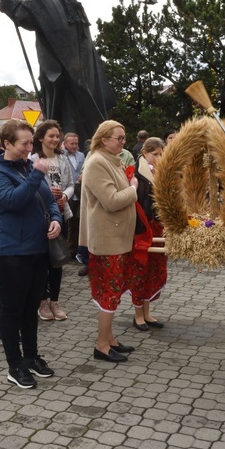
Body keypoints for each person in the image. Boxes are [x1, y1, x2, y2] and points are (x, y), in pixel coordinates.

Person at [0, 0, 115, 146]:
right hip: (84, 86)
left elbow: (24, 13)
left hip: (66, 84)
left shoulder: (52, 3)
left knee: (67, 129)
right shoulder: (73, 5)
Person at [0, 119, 61, 388]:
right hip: (9, 253)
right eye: (25, 143)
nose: (30, 148)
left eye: (32, 142)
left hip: (36, 250)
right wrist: (37, 175)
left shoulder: (30, 167)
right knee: (12, 310)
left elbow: (49, 200)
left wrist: (55, 219)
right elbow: (15, 201)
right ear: (7, 144)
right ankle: (14, 365)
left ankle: (31, 356)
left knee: (31, 308)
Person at [80, 120, 138, 363]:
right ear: (104, 139)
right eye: (119, 138)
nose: (123, 142)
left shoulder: (109, 160)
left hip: (116, 238)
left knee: (113, 291)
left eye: (124, 138)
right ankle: (102, 345)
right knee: (109, 292)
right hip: (107, 241)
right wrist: (134, 188)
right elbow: (112, 201)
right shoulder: (96, 163)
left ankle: (110, 338)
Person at [30, 120, 73, 321]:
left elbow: (71, 184)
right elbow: (30, 186)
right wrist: (47, 193)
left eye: (57, 136)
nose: (55, 140)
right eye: (51, 136)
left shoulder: (63, 159)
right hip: (40, 215)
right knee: (41, 261)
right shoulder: (32, 159)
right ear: (41, 138)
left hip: (61, 214)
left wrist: (64, 195)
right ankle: (42, 301)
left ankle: (55, 300)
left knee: (57, 259)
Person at [129, 137, 167, 332]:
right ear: (144, 153)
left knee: (153, 270)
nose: (159, 158)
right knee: (140, 271)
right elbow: (138, 203)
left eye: (161, 154)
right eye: (155, 154)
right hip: (143, 228)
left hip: (157, 226)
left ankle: (146, 311)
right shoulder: (138, 174)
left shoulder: (161, 172)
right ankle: (138, 315)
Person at [63, 131, 85, 258]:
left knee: (77, 222)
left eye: (76, 143)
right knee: (68, 222)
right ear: (65, 144)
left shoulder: (81, 155)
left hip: (79, 191)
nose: (75, 146)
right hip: (68, 192)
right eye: (72, 143)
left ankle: (74, 249)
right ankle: (67, 249)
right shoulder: (61, 156)